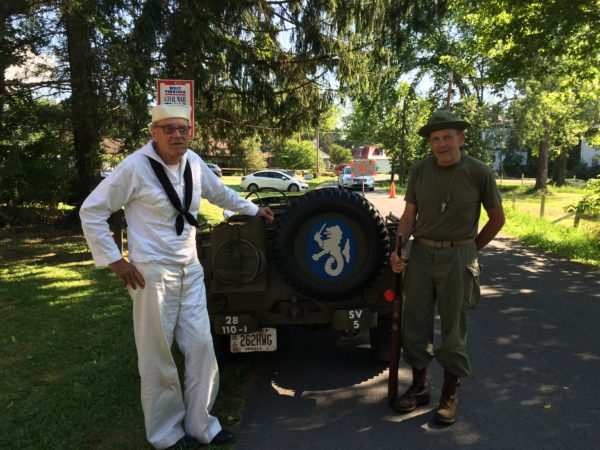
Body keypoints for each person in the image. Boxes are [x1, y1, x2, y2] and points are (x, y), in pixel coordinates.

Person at [79, 104, 274, 449]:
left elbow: (219, 193)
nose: (177, 135)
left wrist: (253, 209)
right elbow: (92, 210)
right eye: (168, 128)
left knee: (201, 347)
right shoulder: (135, 168)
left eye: (183, 128)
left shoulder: (194, 162)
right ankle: (166, 434)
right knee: (157, 356)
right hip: (151, 274)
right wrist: (115, 261)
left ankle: (202, 424)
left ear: (191, 132)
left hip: (190, 268)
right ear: (153, 133)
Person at [390, 110, 505, 425]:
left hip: (459, 257)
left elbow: (497, 219)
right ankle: (420, 386)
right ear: (430, 143)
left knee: (454, 329)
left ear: (461, 138)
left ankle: (450, 394)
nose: (441, 144)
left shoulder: (479, 172)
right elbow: (409, 216)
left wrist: (470, 249)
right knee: (415, 324)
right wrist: (399, 249)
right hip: (422, 253)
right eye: (435, 139)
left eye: (447, 137)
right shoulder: (419, 171)